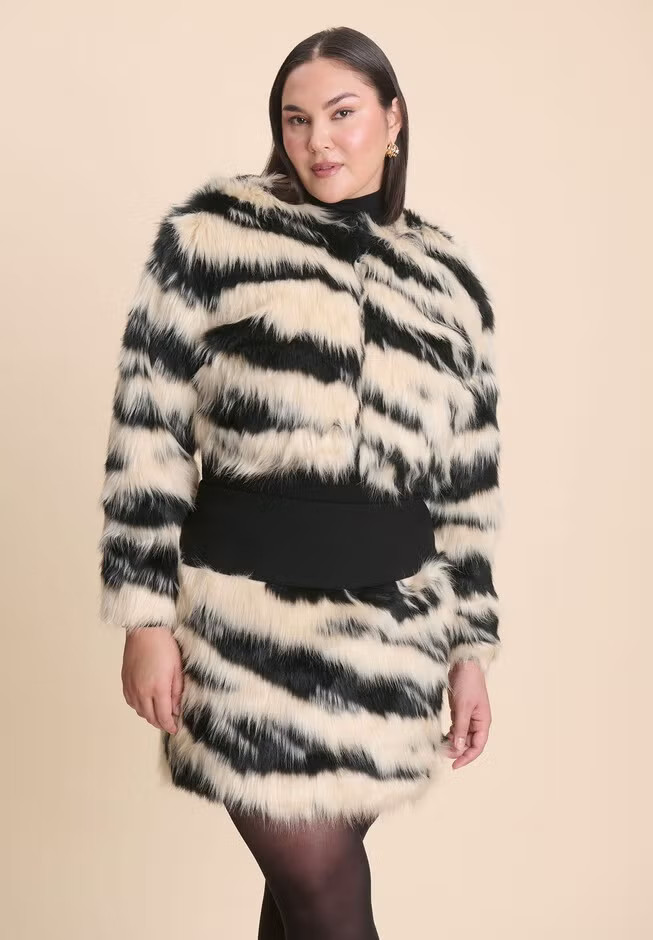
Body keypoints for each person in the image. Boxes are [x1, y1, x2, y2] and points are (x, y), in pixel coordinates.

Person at [98, 25, 502, 940]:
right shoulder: (210, 238)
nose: (317, 140)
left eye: (341, 114)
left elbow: (466, 485)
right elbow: (147, 434)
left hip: (391, 636)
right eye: (295, 119)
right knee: (323, 894)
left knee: (301, 908)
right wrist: (145, 620)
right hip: (243, 628)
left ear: (392, 121)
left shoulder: (447, 279)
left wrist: (469, 651)